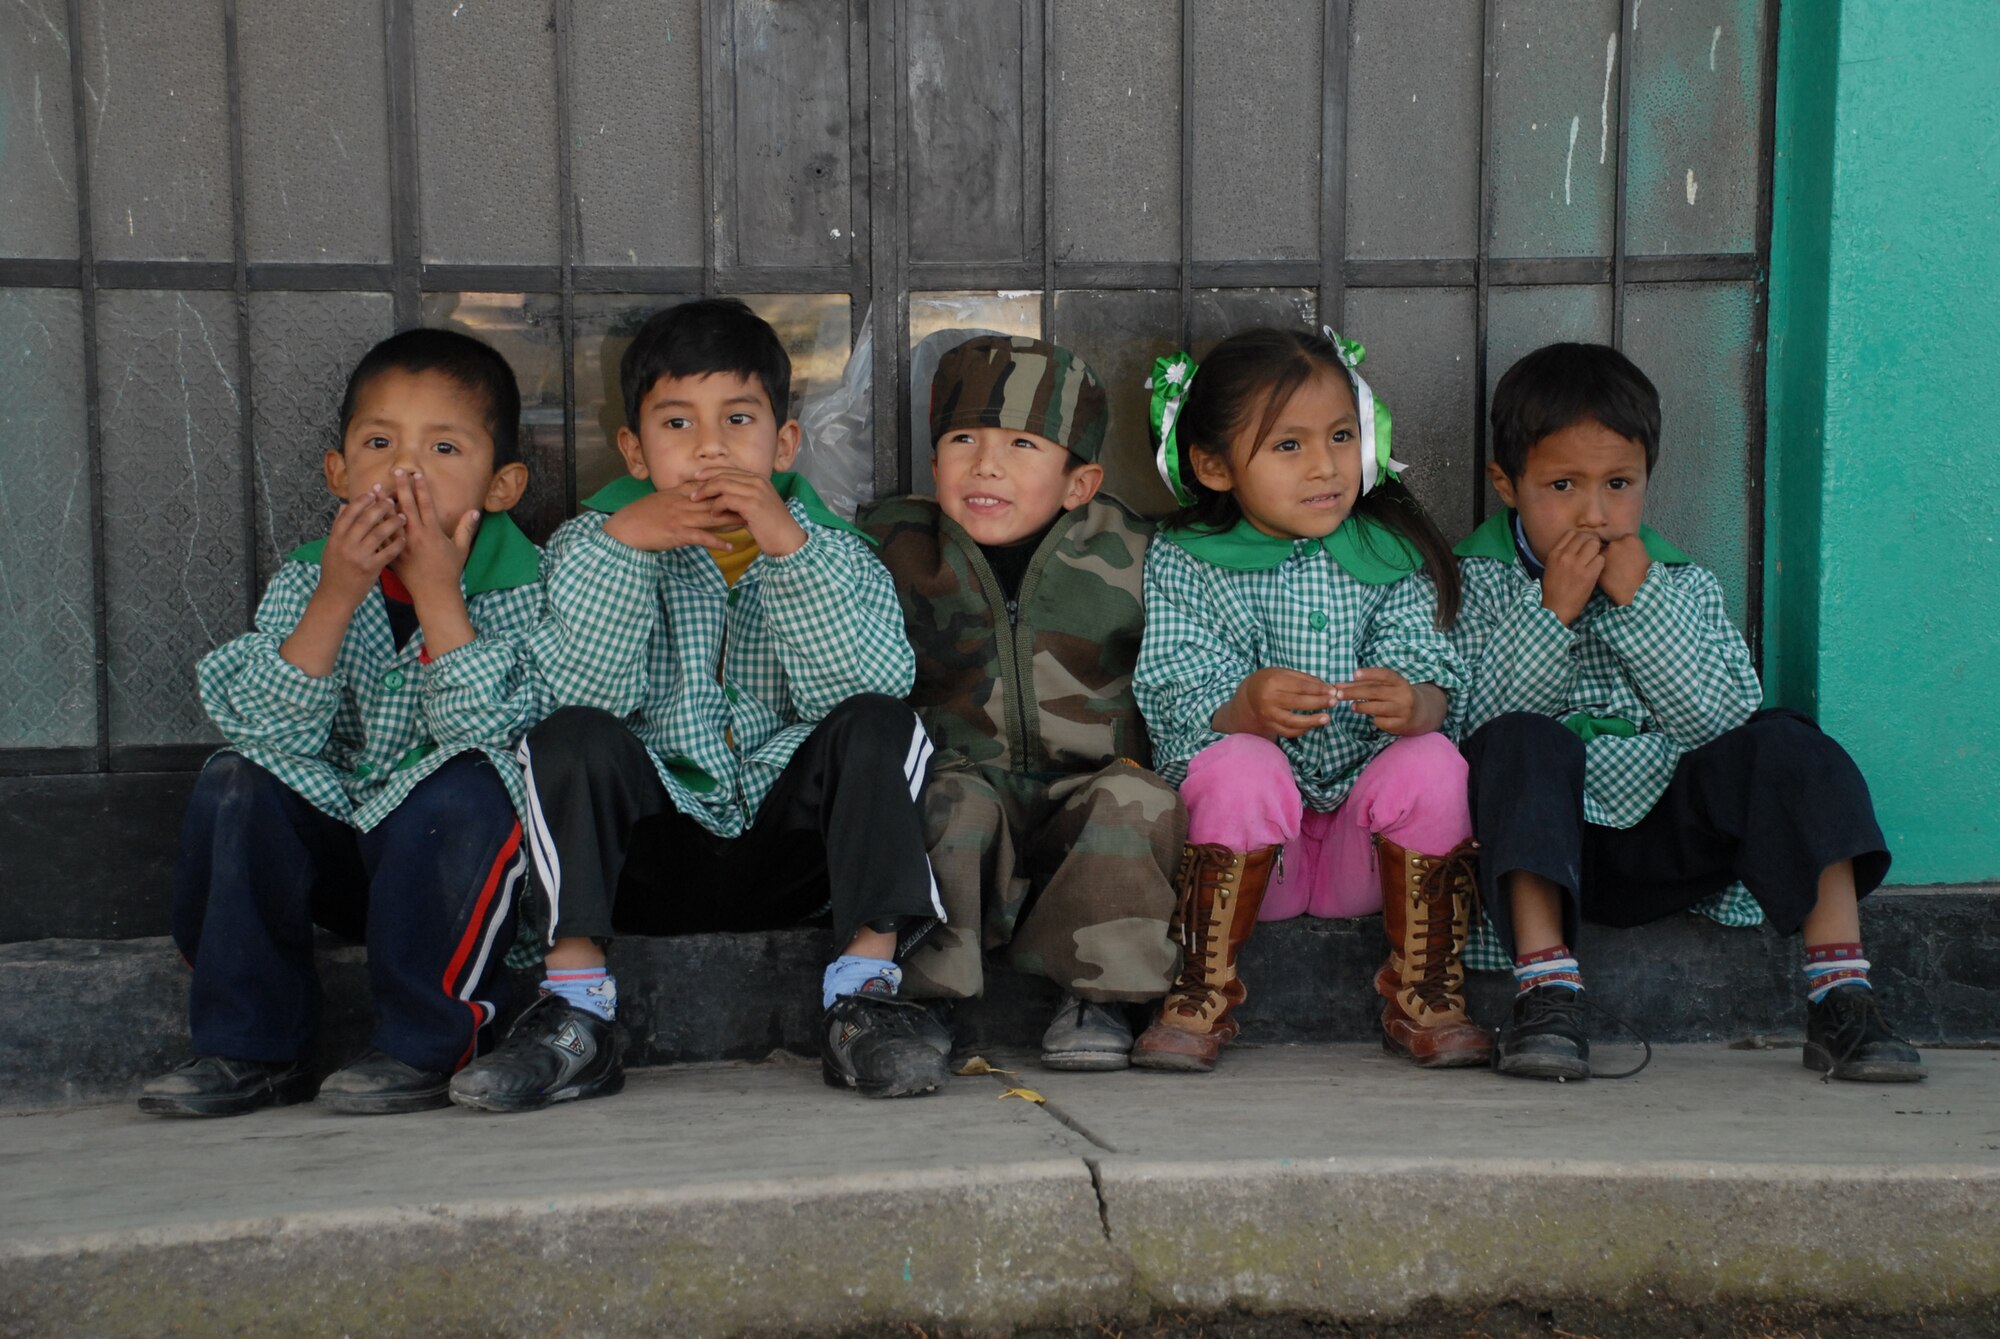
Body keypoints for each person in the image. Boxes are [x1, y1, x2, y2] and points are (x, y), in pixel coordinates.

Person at [449, 298, 950, 1111]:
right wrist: (625, 550)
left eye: (739, 420)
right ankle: (576, 1010)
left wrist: (786, 547)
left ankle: (864, 995)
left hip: (796, 857)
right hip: (649, 857)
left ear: (784, 444)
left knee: (883, 724)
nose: (710, 447)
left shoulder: (837, 557)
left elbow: (856, 689)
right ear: (634, 450)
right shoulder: (587, 547)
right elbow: (579, 696)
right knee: (567, 735)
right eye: (676, 424)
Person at [1452, 341, 1923, 1082]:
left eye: (1619, 483)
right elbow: (1468, 738)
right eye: (1563, 485)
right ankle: (1547, 993)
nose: (1596, 513)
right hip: (1546, 846)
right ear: (1506, 485)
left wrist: (1642, 605)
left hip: (1666, 836)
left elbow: (1719, 722)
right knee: (1516, 740)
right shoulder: (1469, 583)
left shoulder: (1681, 584)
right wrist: (1551, 614)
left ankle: (1843, 994)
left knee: (1788, 741)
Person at [141, 328, 540, 1117]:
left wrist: (437, 595)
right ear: (338, 472)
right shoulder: (310, 577)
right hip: (343, 862)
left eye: (445, 447)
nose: (407, 470)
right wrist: (337, 593)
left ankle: (426, 1046)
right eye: (380, 442)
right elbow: (264, 733)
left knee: (469, 783)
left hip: (458, 884)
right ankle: (249, 1048)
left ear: (501, 486)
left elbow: (497, 737)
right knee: (236, 779)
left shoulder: (532, 587)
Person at [1131, 326, 1488, 1072]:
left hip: (1368, 850)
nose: (1325, 465)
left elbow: (1432, 669)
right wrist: (1242, 705)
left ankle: (1427, 991)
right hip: (1264, 864)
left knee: (1433, 760)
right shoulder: (1189, 560)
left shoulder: (1388, 552)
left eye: (1339, 435)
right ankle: (1202, 990)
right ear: (1213, 465)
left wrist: (1413, 701)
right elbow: (1170, 686)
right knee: (1239, 765)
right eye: (1288, 446)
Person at [857, 335, 1183, 1071]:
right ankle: (921, 995)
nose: (987, 464)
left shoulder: (1136, 552)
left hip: (1086, 785)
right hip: (967, 780)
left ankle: (1098, 993)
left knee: (1134, 798)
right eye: (962, 438)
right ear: (935, 461)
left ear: (1079, 482)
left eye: (1024, 444)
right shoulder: (890, 546)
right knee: (942, 805)